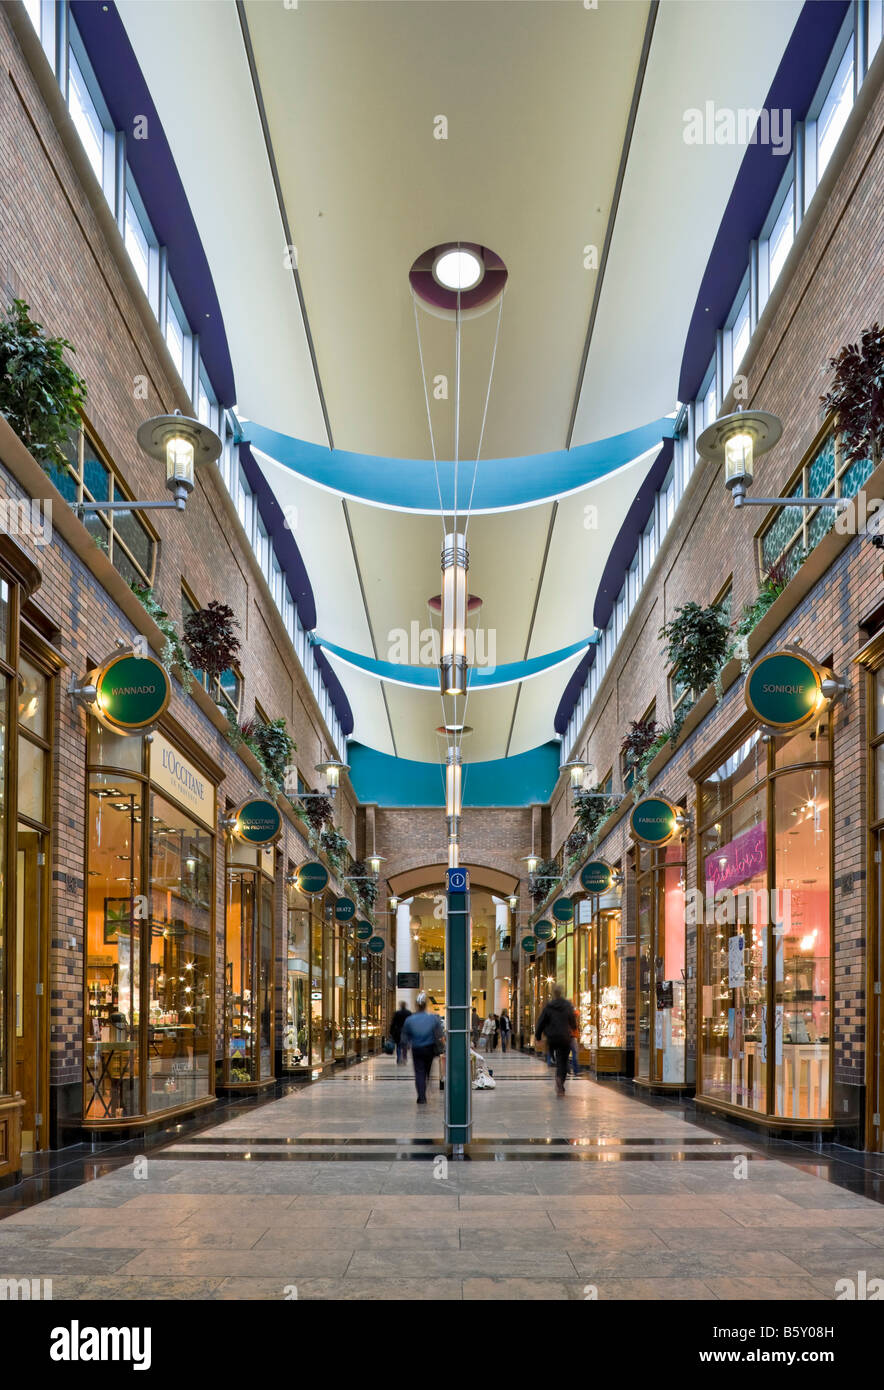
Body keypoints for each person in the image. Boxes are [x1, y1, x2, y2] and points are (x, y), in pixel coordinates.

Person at [535, 984, 578, 1096]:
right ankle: (560, 1081)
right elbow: (572, 1020)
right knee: (562, 1061)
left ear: (553, 994)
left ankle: (559, 1079)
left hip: (552, 1038)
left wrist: (538, 1036)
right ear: (561, 993)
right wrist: (574, 1028)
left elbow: (541, 1022)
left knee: (558, 1059)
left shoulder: (549, 1007)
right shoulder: (567, 1005)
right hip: (564, 1037)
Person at [401, 992, 444, 1103]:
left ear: (416, 1005)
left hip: (416, 1049)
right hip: (429, 1049)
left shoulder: (410, 1020)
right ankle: (425, 1087)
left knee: (419, 1072)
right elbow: (439, 1034)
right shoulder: (433, 1018)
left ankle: (421, 1095)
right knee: (427, 1071)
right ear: (426, 1005)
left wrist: (404, 1053)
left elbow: (405, 1037)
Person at [389, 1001, 412, 1065]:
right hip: (406, 1031)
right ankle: (404, 1058)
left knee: (398, 1046)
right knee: (404, 1046)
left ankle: (399, 1058)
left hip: (398, 1031)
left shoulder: (397, 1013)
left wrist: (391, 1031)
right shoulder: (409, 1013)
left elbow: (393, 1023)